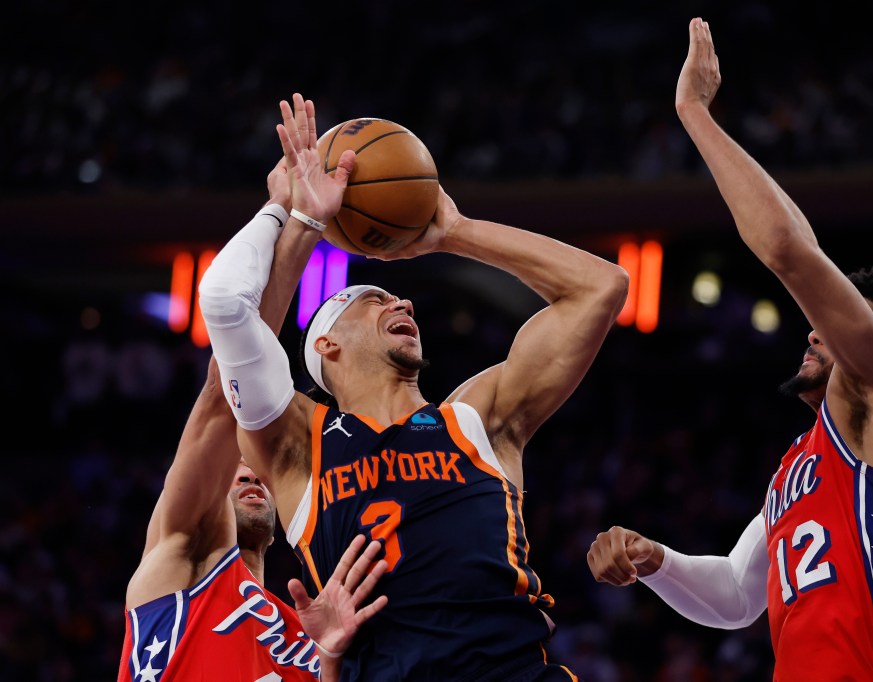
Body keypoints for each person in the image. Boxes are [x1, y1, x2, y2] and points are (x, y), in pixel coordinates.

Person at [196, 92, 629, 680]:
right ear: (327, 345)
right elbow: (237, 327)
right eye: (374, 299)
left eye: (398, 296)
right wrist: (301, 223)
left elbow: (599, 288)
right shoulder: (298, 446)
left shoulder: (478, 418)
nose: (401, 299)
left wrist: (455, 231)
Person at [587, 17, 873, 682]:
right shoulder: (799, 465)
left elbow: (792, 251)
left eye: (841, 319)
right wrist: (657, 561)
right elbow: (735, 593)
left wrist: (695, 113)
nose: (815, 329)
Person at [119, 155, 388, 682]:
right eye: (235, 468)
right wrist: (297, 219)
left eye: (257, 469)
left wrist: (332, 658)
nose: (247, 473)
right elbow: (227, 397)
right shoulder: (185, 564)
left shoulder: (312, 632)